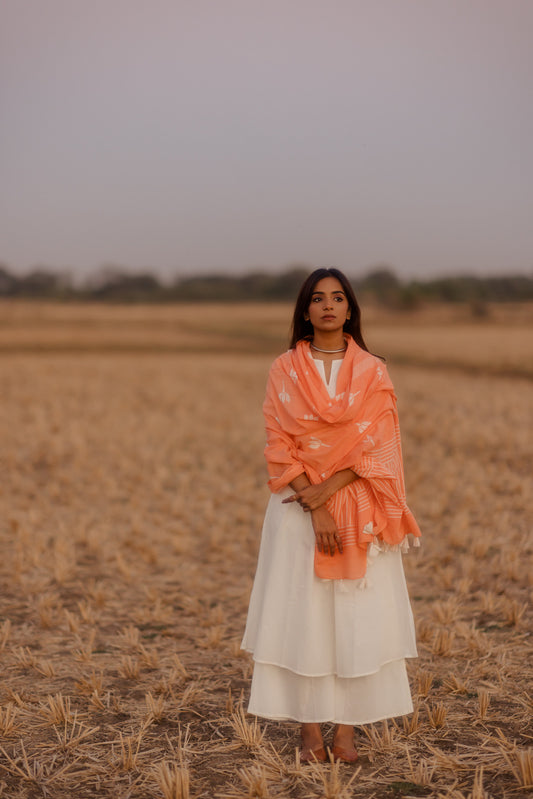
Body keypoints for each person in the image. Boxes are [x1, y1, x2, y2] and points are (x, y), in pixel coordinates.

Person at [241, 267, 421, 763]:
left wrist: (328, 493)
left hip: (355, 506)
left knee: (355, 617)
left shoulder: (372, 370)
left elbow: (377, 447)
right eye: (317, 298)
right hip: (294, 510)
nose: (327, 305)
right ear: (305, 310)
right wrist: (312, 501)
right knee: (305, 615)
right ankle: (308, 733)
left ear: (349, 309)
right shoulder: (284, 368)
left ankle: (346, 732)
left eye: (337, 298)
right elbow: (278, 442)